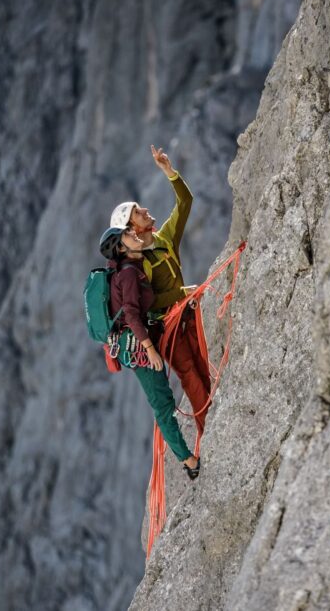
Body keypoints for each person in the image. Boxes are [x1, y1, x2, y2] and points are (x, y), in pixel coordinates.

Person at [109, 146, 213, 461]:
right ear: (133, 228)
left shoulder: (165, 239)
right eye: (139, 212)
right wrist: (184, 292)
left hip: (187, 313)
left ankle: (213, 415)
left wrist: (170, 172)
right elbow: (148, 301)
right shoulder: (138, 265)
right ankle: (210, 428)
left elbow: (185, 202)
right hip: (166, 327)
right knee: (190, 374)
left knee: (201, 365)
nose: (145, 211)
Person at [99, 226, 200, 479]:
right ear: (121, 248)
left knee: (162, 398)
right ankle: (188, 460)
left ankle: (186, 456)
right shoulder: (129, 274)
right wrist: (150, 351)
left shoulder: (125, 270)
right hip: (138, 348)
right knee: (162, 402)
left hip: (136, 339)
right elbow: (132, 314)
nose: (134, 234)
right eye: (127, 235)